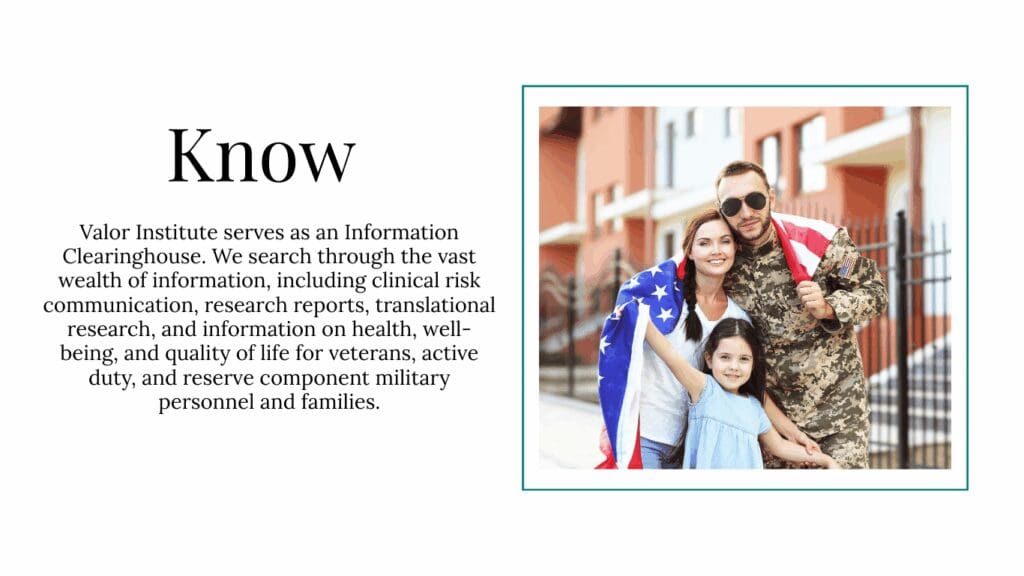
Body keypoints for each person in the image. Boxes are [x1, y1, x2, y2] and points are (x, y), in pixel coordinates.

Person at [596, 208, 816, 469]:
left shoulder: (738, 319)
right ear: (689, 251)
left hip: (693, 445)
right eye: (704, 243)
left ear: (735, 248)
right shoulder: (663, 302)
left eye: (724, 241)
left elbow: (752, 388)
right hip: (647, 435)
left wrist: (791, 432)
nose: (716, 250)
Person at [714, 160, 888, 468]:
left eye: (754, 200)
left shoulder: (822, 241)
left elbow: (875, 292)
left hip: (837, 415)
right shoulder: (720, 256)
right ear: (720, 210)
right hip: (769, 425)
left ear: (771, 196)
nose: (745, 213)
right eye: (731, 205)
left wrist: (829, 307)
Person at [643, 317, 840, 469]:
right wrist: (642, 319)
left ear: (754, 364)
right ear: (710, 360)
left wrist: (825, 460)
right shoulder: (705, 389)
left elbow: (779, 445)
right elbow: (671, 357)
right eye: (725, 357)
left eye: (744, 359)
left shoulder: (754, 406)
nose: (734, 367)